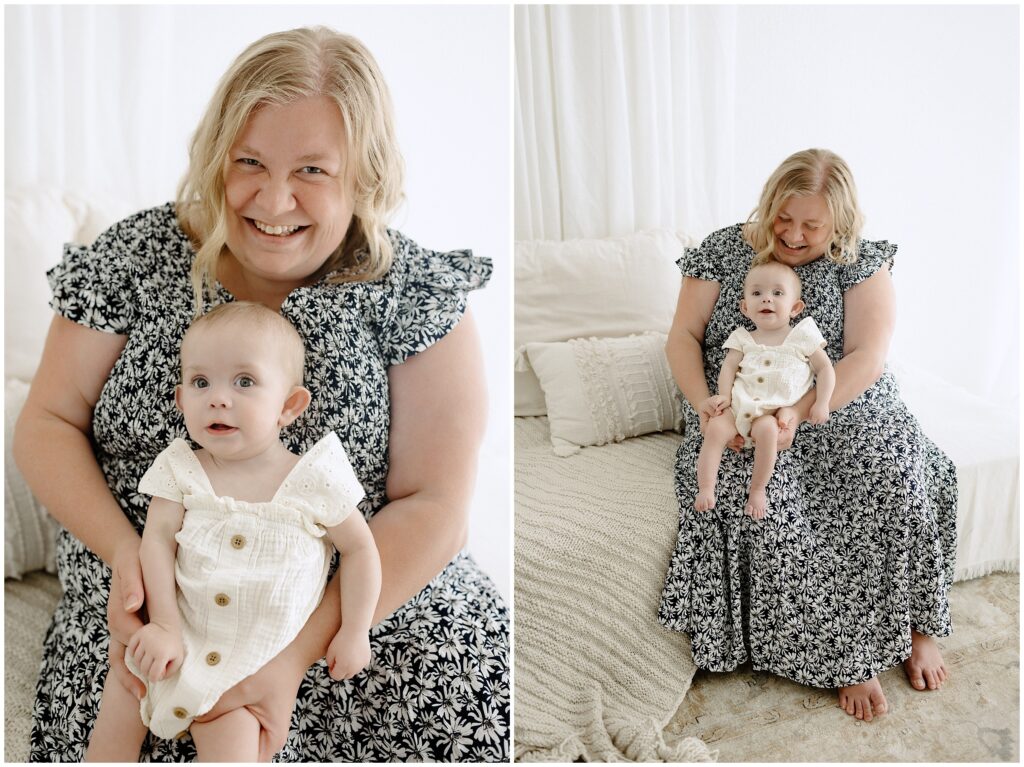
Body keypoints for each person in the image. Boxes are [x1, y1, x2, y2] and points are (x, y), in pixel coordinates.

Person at [15, 26, 509, 761]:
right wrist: (125, 552)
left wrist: (292, 658)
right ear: (217, 155)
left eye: (313, 170)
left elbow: (434, 505)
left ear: (363, 177)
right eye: (249, 162)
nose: (274, 199)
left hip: (360, 612)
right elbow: (47, 422)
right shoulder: (134, 257)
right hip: (164, 606)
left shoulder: (413, 292)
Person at [658, 148, 956, 723]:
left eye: (812, 226)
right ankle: (845, 653)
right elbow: (682, 338)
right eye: (783, 219)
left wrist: (802, 409)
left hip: (835, 400)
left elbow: (867, 356)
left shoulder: (861, 262)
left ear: (839, 223)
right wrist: (707, 406)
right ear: (768, 206)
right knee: (764, 503)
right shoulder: (722, 250)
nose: (794, 235)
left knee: (896, 471)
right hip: (741, 405)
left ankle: (920, 626)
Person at [85, 301, 383, 762]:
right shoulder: (182, 470)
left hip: (248, 672)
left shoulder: (314, 477)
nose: (218, 398)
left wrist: (355, 629)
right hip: (172, 641)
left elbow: (361, 550)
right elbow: (157, 541)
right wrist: (162, 624)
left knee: (234, 744)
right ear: (182, 399)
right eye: (201, 383)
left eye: (244, 382)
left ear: (288, 406)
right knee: (122, 691)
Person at [695, 260, 835, 519]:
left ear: (795, 308)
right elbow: (728, 369)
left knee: (768, 432)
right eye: (757, 293)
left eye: (777, 293)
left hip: (769, 414)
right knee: (715, 429)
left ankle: (758, 490)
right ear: (745, 307)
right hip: (738, 406)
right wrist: (723, 396)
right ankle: (705, 487)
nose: (766, 299)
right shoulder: (742, 338)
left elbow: (825, 369)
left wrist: (822, 402)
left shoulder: (803, 336)